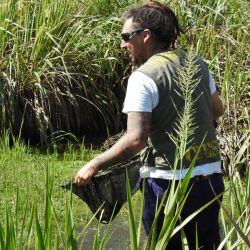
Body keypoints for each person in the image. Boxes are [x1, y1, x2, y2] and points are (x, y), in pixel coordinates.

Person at [75, 1, 225, 249]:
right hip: (209, 178)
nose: (123, 44)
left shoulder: (143, 77)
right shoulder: (197, 64)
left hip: (167, 184)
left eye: (126, 36)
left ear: (145, 36)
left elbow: (136, 140)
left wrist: (95, 164)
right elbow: (217, 111)